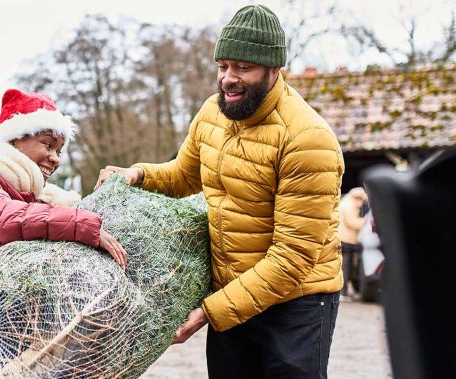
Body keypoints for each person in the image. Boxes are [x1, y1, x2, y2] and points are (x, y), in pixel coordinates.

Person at [95, 5, 344, 377]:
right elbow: (183, 175)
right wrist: (139, 174)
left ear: (275, 69)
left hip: (296, 302)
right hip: (231, 294)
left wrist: (208, 312)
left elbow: (293, 257)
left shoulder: (308, 140)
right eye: (223, 66)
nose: (228, 78)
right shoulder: (212, 113)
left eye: (243, 67)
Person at [0, 89, 128, 376]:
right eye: (48, 145)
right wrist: (80, 224)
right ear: (15, 139)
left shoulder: (27, 194)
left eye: (59, 151)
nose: (55, 158)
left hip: (10, 339)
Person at [338, 187, 368, 298]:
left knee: (346, 265)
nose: (361, 203)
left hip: (345, 239)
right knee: (346, 266)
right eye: (361, 200)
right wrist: (365, 221)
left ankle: (344, 291)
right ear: (357, 198)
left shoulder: (346, 201)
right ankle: (342, 291)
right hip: (346, 239)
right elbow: (352, 222)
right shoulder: (349, 205)